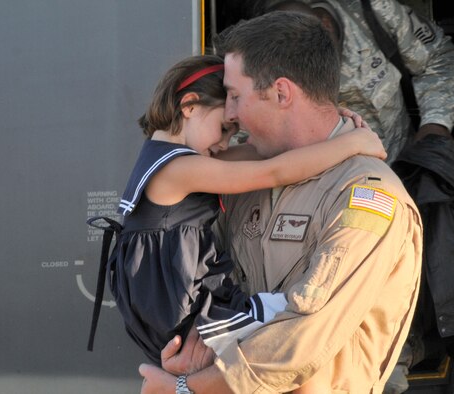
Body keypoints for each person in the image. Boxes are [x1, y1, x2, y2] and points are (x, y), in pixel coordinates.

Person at [139, 11, 422, 393]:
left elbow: (302, 340)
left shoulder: (366, 195)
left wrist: (187, 389)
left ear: (282, 93)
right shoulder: (251, 177)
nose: (231, 114)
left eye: (236, 96)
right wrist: (190, 348)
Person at [86, 52, 387, 385]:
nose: (226, 142)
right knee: (285, 329)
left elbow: (273, 151)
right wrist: (352, 144)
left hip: (165, 306)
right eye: (225, 128)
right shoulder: (180, 169)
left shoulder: (168, 156)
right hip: (185, 309)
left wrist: (328, 125)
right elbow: (272, 171)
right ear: (189, 105)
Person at [264, 0, 454, 164]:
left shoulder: (375, 12)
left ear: (326, 24)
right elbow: (254, 137)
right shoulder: (267, 62)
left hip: (410, 163)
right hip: (341, 191)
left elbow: (440, 56)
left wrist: (436, 123)